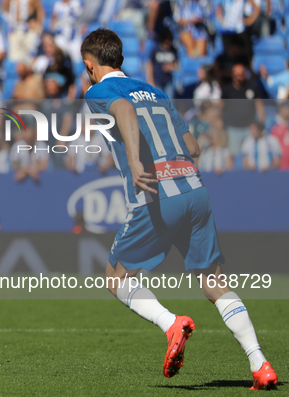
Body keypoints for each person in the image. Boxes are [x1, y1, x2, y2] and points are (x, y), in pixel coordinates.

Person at [81, 28, 277, 390]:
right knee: (215, 283)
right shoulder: (156, 91)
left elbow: (123, 109)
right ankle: (260, 363)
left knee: (115, 277)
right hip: (194, 189)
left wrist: (139, 162)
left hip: (157, 194)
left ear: (90, 65)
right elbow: (193, 146)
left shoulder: (99, 91)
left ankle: (171, 323)